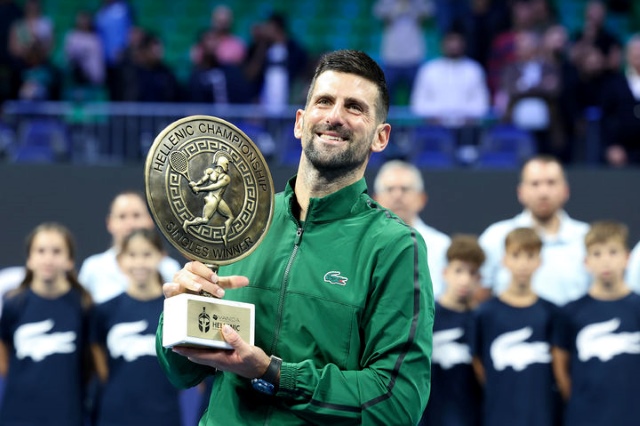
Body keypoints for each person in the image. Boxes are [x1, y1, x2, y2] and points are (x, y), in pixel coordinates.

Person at [155, 49, 435, 425]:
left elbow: (397, 403)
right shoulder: (241, 221)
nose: (334, 116)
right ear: (300, 122)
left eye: (354, 107)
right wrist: (180, 312)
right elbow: (181, 372)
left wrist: (274, 374)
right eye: (324, 101)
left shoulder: (394, 246)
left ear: (380, 137)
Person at [0, 222, 93, 425]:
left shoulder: (83, 305)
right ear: (29, 259)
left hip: (67, 412)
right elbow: (4, 354)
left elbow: (90, 362)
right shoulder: (13, 304)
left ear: (70, 260)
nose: (48, 259)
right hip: (18, 413)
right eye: (41, 251)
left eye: (57, 251)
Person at [89, 228, 181, 426]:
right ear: (120, 260)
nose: (139, 263)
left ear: (161, 256)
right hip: (115, 413)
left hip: (163, 414)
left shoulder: (175, 308)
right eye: (132, 255)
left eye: (147, 254)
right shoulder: (105, 310)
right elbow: (99, 363)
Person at [470, 227, 561, 426]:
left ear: (539, 261)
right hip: (498, 414)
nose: (523, 264)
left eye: (530, 256)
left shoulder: (551, 313)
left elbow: (559, 365)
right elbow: (477, 361)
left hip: (541, 414)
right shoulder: (485, 313)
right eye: (516, 255)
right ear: (504, 260)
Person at [552, 220, 640, 426]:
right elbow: (560, 367)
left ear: (627, 258)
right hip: (585, 417)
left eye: (613, 252)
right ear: (586, 262)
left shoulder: (637, 307)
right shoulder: (570, 312)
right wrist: (579, 401)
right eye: (597, 254)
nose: (605, 261)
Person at [478, 155, 590, 306]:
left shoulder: (586, 237)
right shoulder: (496, 236)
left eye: (551, 183)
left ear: (566, 191)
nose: (543, 193)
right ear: (520, 192)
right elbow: (479, 294)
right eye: (535, 184)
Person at [419, 234, 484, 426]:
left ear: (479, 278)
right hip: (428, 416)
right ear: (445, 272)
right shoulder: (425, 315)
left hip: (470, 417)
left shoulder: (483, 320)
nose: (465, 280)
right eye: (458, 270)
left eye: (472, 273)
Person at [78, 190, 181, 304]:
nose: (130, 224)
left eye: (136, 215)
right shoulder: (93, 268)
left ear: (150, 220)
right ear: (110, 223)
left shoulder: (170, 269)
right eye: (122, 217)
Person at [373, 159, 450, 297]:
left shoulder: (442, 246)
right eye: (389, 189)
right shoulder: (363, 243)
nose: (397, 196)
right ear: (375, 200)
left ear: (421, 199)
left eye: (405, 189)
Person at [410, 26, 490, 128]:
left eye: (457, 42)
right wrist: (436, 116)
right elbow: (418, 103)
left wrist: (463, 118)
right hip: (434, 127)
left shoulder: (474, 69)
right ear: (442, 44)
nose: (454, 46)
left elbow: (482, 103)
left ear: (463, 44)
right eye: (450, 41)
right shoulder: (429, 70)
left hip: (467, 128)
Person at [372, 0, 433, 105]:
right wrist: (397, 8)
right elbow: (377, 13)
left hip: (413, 57)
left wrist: (411, 6)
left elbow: (429, 11)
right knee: (386, 98)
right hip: (392, 57)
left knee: (418, 97)